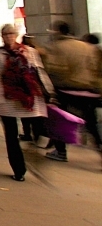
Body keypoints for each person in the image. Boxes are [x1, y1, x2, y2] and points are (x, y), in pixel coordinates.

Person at [0, 24, 52, 180]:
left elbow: (39, 72)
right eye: (5, 34)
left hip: (28, 98)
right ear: (1, 36)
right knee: (11, 135)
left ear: (16, 35)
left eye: (11, 33)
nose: (8, 36)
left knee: (40, 130)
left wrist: (49, 92)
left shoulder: (29, 52)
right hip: (6, 99)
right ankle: (19, 169)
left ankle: (34, 153)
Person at [38, 21, 102, 163]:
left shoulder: (57, 47)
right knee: (91, 124)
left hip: (66, 90)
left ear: (58, 31)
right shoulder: (88, 47)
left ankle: (61, 151)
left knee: (57, 120)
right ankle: (100, 149)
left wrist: (50, 91)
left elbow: (54, 70)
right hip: (89, 92)